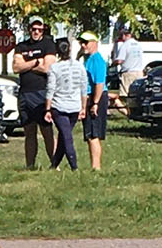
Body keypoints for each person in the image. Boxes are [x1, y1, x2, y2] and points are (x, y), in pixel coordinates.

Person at [11, 20, 59, 168]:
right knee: (29, 131)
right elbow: (16, 67)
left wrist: (26, 64)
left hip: (42, 93)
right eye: (34, 29)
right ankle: (30, 165)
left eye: (40, 29)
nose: (36, 32)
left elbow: (47, 68)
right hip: (25, 93)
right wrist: (34, 63)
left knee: (46, 130)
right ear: (29, 29)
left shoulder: (48, 45)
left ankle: (55, 164)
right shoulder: (21, 46)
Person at [44, 37, 87, 170]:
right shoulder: (79, 66)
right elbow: (84, 88)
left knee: (66, 137)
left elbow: (50, 89)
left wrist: (47, 109)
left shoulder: (54, 68)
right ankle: (54, 165)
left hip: (59, 107)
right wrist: (83, 107)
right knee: (64, 135)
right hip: (75, 107)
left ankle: (74, 167)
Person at [79, 32, 110, 171]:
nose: (83, 45)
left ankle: (96, 167)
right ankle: (94, 165)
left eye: (86, 42)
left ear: (95, 43)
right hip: (91, 96)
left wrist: (95, 103)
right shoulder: (88, 59)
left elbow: (99, 83)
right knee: (89, 133)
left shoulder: (97, 60)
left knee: (94, 133)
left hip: (97, 97)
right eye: (81, 42)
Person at [109, 24, 146, 97]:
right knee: (137, 94)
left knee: (125, 95)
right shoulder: (138, 44)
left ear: (125, 35)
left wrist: (112, 64)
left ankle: (125, 108)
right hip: (139, 73)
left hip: (128, 74)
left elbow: (120, 60)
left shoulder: (125, 45)